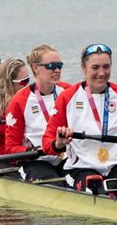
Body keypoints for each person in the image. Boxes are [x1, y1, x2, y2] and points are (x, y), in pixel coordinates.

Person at [42, 44, 117, 196]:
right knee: (99, 194)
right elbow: (47, 142)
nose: (101, 73)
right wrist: (59, 143)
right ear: (84, 68)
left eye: (106, 67)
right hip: (81, 168)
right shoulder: (67, 98)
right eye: (95, 67)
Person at [5, 44, 70, 185]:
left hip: (66, 158)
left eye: (60, 65)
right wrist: (32, 150)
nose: (57, 70)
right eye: (51, 66)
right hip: (37, 160)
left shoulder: (68, 92)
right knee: (55, 185)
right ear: (35, 68)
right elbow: (11, 147)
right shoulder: (19, 100)